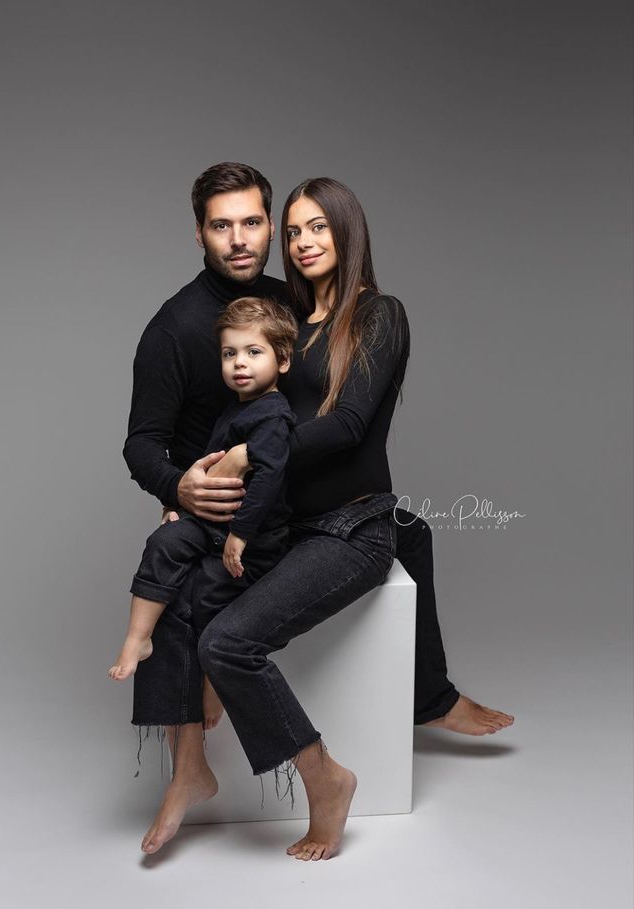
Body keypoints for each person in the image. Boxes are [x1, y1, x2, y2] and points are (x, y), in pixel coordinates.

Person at [122, 164, 514, 858]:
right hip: (288, 522)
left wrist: (245, 460)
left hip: (344, 523)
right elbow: (173, 432)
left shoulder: (374, 313)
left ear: (344, 230)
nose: (299, 241)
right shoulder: (279, 320)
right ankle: (193, 765)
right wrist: (179, 491)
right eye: (296, 230)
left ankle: (337, 766)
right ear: (200, 233)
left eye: (312, 227)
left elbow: (348, 424)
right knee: (192, 580)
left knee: (235, 634)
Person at [108, 297, 297, 734]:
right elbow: (203, 460)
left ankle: (213, 682)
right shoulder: (237, 406)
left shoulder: (273, 415)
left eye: (254, 352)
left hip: (252, 536)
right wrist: (176, 504)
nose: (239, 364)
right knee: (162, 543)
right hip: (212, 523)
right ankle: (138, 639)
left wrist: (240, 536)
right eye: (230, 354)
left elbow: (270, 478)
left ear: (283, 360)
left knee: (207, 595)